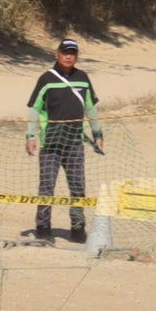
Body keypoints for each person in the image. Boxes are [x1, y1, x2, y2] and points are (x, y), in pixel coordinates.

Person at [23, 37, 103, 244]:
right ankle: (43, 228)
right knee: (46, 186)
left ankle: (78, 228)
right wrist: (30, 136)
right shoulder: (46, 79)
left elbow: (90, 108)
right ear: (57, 54)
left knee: (77, 187)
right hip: (50, 142)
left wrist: (98, 134)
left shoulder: (83, 77)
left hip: (75, 142)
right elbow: (34, 108)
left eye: (72, 53)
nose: (69, 56)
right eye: (65, 52)